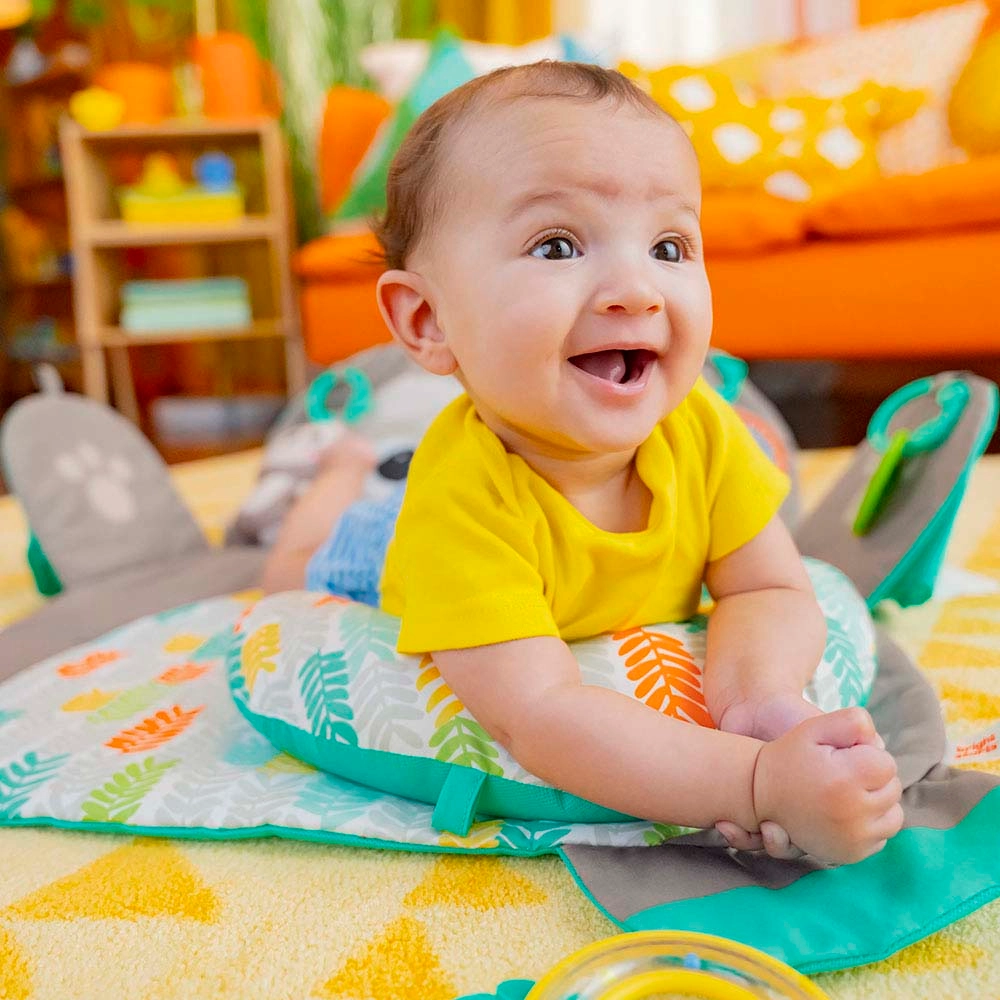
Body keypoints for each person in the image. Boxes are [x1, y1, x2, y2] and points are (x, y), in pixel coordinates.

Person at [262, 61, 903, 865]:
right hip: (388, 551)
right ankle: (337, 477)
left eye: (670, 245)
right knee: (290, 574)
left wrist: (760, 701)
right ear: (426, 320)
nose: (637, 290)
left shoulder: (700, 425)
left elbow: (768, 586)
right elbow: (541, 714)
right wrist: (754, 781)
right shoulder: (462, 501)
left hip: (551, 582)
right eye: (558, 244)